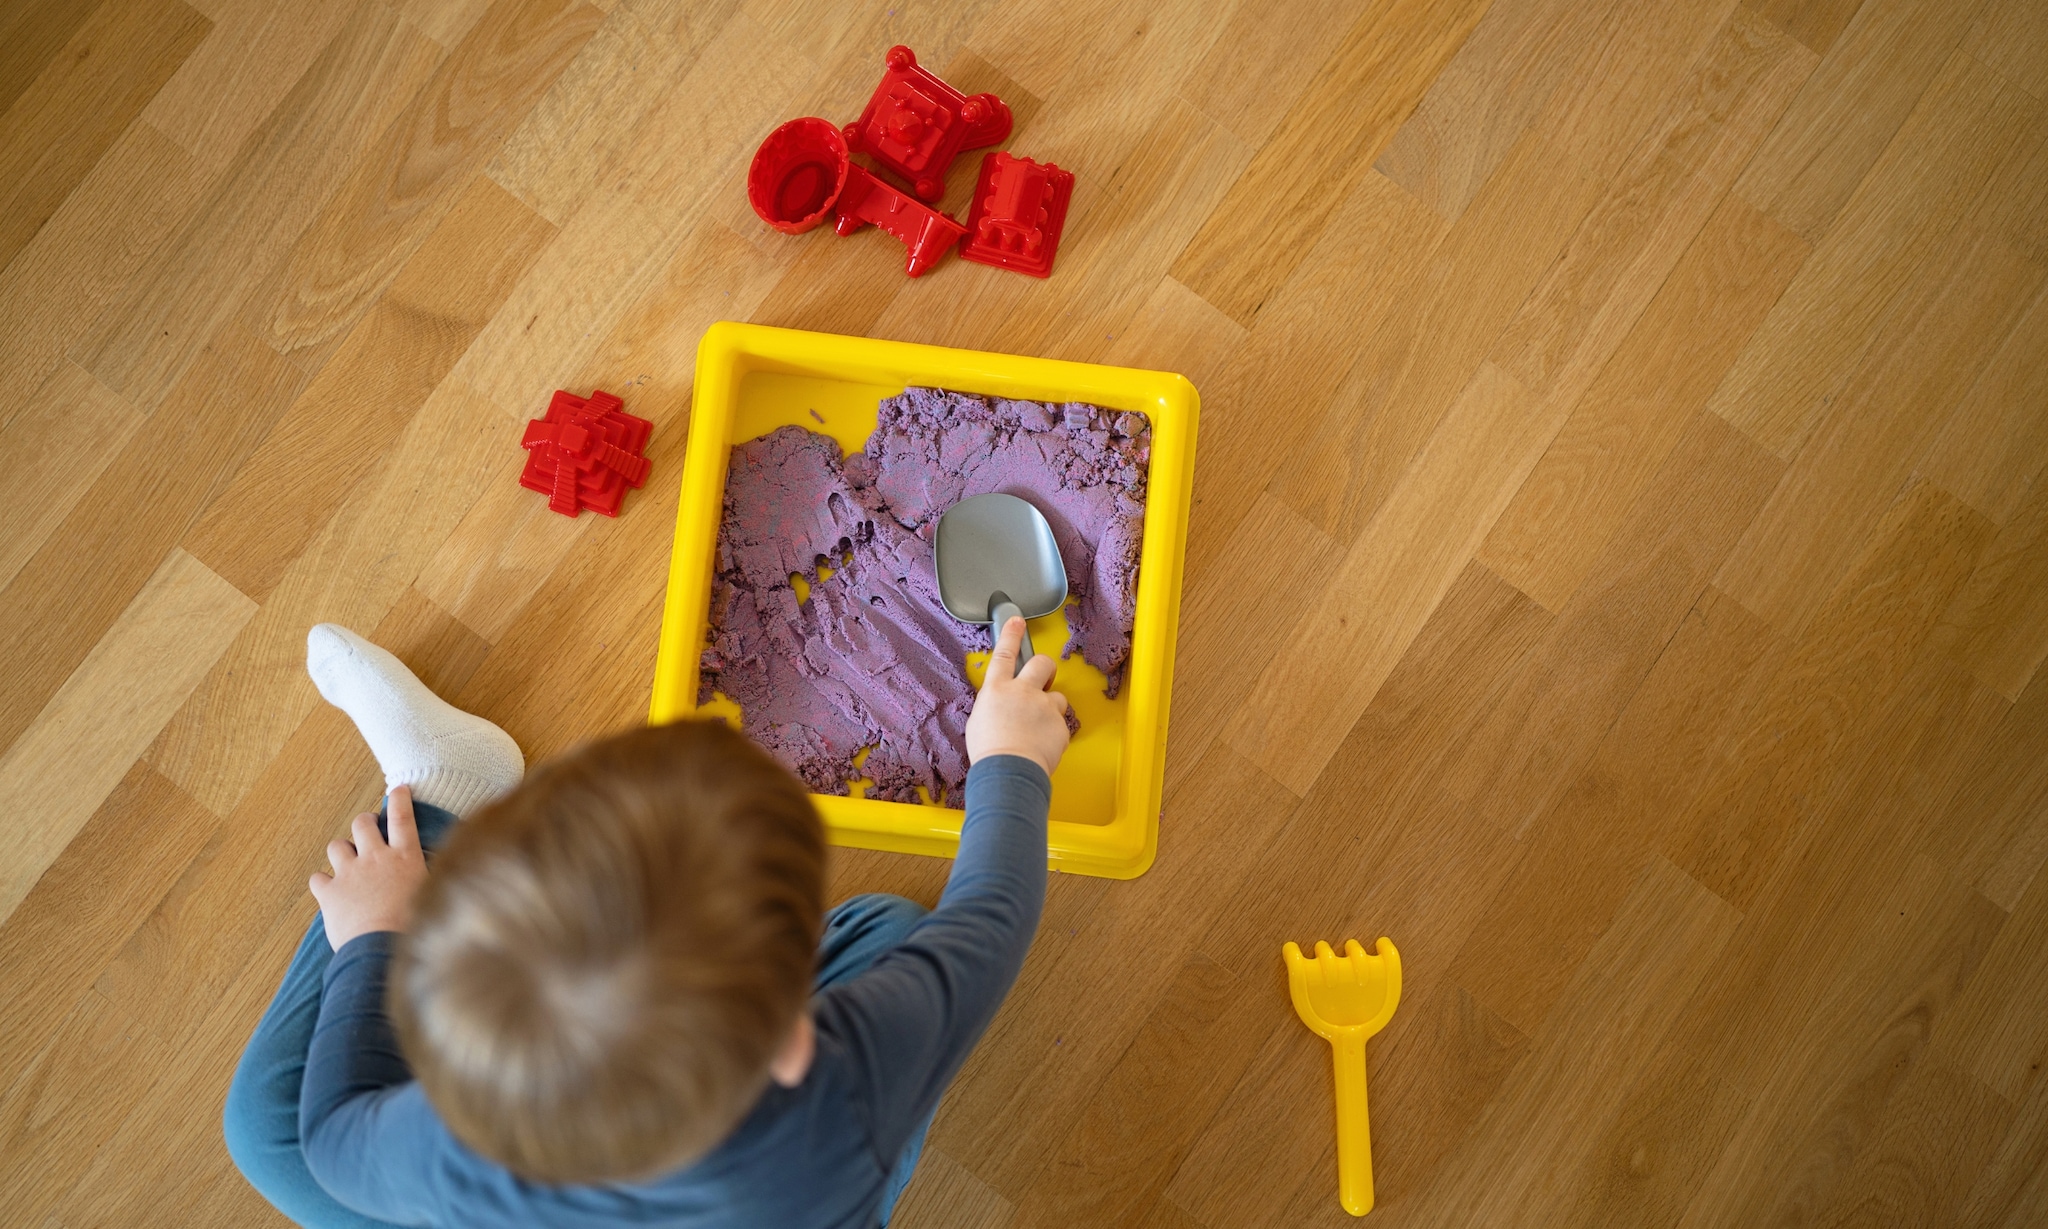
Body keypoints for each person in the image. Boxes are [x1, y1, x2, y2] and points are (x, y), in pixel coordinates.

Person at [224, 617, 1069, 1228]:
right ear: (791, 1041)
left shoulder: (466, 1150)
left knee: (268, 1133)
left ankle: (442, 789)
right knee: (893, 929)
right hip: (803, 1193)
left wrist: (375, 940)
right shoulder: (847, 1094)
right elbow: (991, 913)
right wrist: (1011, 759)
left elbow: (330, 1137)